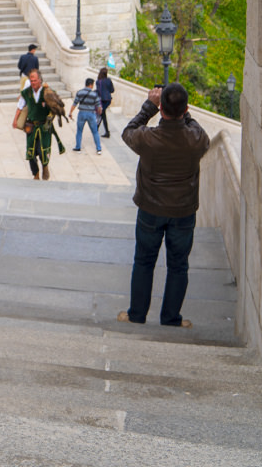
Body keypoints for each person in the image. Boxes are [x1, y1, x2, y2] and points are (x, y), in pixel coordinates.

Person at [118, 83, 210, 328]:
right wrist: (183, 113)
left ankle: (136, 315)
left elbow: (128, 131)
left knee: (144, 262)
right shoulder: (195, 138)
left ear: (162, 109)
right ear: (186, 108)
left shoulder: (148, 138)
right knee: (178, 266)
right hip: (183, 211)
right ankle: (171, 319)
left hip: (150, 209)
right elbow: (200, 133)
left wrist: (150, 106)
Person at [12, 67, 55, 180]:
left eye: (35, 80)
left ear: (40, 80)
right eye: (31, 81)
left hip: (44, 127)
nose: (33, 83)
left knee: (42, 151)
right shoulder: (26, 93)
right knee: (30, 153)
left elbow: (55, 107)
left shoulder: (47, 92)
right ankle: (35, 174)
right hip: (31, 127)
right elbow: (20, 106)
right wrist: (15, 120)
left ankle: (45, 166)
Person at [69, 77, 103, 153]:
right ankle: (98, 149)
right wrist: (100, 112)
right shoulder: (94, 94)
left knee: (79, 131)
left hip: (82, 113)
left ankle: (78, 147)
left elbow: (75, 103)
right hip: (91, 114)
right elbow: (99, 106)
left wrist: (70, 113)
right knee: (95, 132)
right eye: (93, 84)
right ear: (90, 85)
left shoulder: (79, 92)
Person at [96, 65, 115, 136]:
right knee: (102, 115)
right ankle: (105, 131)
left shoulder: (98, 81)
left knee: (102, 115)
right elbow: (112, 90)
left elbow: (98, 92)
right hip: (108, 100)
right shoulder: (109, 80)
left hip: (102, 100)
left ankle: (104, 131)